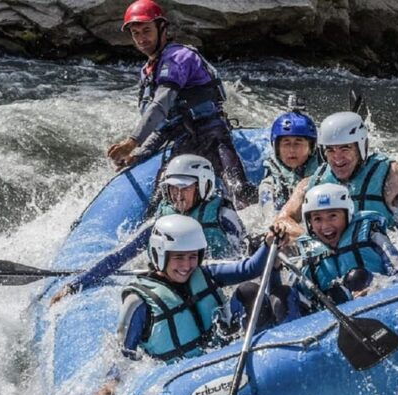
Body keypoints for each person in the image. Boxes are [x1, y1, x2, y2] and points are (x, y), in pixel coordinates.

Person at [93, 214, 284, 395]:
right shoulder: (138, 302)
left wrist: (268, 244)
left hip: (224, 354)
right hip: (183, 382)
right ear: (160, 254)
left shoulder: (206, 273)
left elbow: (249, 269)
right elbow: (123, 355)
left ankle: (268, 363)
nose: (186, 265)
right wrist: (110, 386)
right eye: (179, 257)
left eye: (193, 256)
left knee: (249, 291)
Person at [106, 0, 255, 207]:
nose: (141, 38)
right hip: (182, 142)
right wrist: (140, 155)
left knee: (239, 190)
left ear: (162, 28)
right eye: (135, 33)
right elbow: (162, 126)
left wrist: (132, 142)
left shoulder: (179, 57)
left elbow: (160, 104)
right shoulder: (148, 70)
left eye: (146, 30)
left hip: (212, 136)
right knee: (160, 202)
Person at [275, 111, 398, 240]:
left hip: (388, 250)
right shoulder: (312, 184)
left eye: (345, 148)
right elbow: (282, 219)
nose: (337, 158)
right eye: (330, 150)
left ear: (361, 147)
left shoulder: (393, 174)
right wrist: (312, 240)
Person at [239, 183, 398, 328]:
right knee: (282, 295)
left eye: (333, 216)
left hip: (377, 306)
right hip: (327, 323)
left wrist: (377, 289)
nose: (325, 225)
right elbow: (285, 298)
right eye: (317, 219)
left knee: (357, 277)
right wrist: (274, 265)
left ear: (347, 215)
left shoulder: (371, 234)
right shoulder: (307, 251)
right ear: (310, 223)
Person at [156, 154, 245, 259]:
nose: (179, 196)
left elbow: (243, 252)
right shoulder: (163, 214)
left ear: (203, 187)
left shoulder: (223, 214)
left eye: (186, 188)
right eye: (173, 188)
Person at [258, 109, 322, 224]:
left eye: (298, 143)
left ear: (310, 148)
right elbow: (270, 223)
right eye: (286, 143)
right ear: (277, 148)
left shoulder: (325, 173)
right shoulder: (268, 186)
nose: (292, 150)